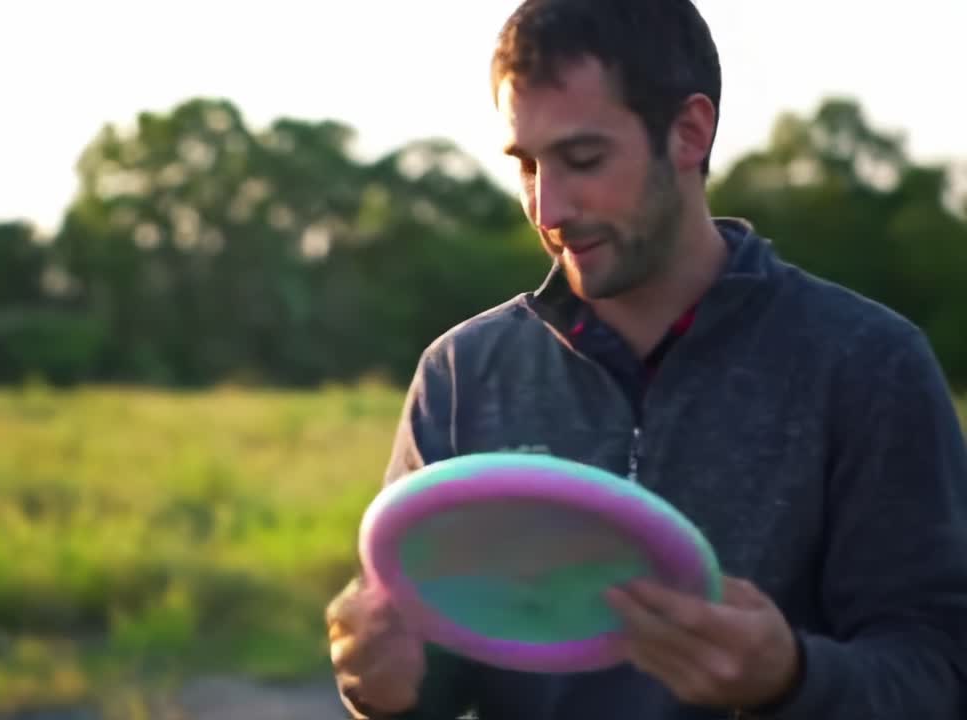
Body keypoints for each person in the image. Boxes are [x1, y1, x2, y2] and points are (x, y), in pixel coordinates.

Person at [324, 0, 967, 718]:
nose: (547, 209)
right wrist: (384, 688)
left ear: (690, 132)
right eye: (527, 165)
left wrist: (791, 678)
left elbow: (938, 672)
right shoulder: (460, 376)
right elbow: (437, 675)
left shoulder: (866, 365)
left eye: (584, 159)